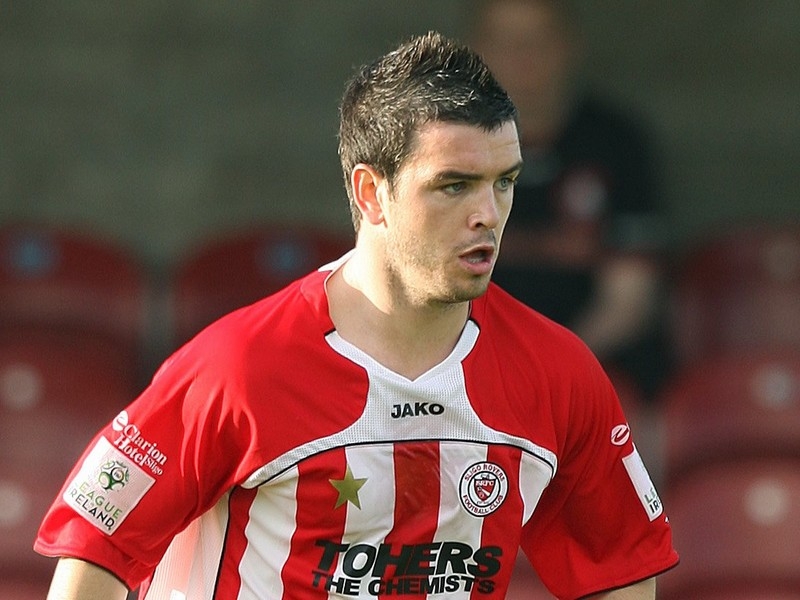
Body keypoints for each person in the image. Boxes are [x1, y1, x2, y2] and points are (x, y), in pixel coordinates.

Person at [35, 32, 677, 599]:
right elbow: (94, 550)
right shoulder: (239, 367)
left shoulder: (557, 373)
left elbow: (619, 570)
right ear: (372, 193)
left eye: (503, 182)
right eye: (453, 185)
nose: (487, 213)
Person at [470, 0, 673, 399]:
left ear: (568, 46)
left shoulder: (617, 143)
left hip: (595, 369)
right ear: (477, 52)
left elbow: (630, 298)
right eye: (505, 41)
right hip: (472, 369)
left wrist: (552, 366)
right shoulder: (445, 149)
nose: (521, 57)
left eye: (536, 41)